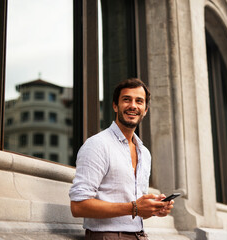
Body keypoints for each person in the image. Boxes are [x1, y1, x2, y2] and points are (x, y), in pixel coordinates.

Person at [69, 78, 174, 240]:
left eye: (139, 101)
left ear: (145, 110)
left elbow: (135, 210)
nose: (133, 105)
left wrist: (153, 209)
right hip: (107, 236)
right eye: (126, 99)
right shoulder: (97, 145)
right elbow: (78, 206)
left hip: (139, 235)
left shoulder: (144, 153)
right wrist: (134, 208)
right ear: (115, 106)